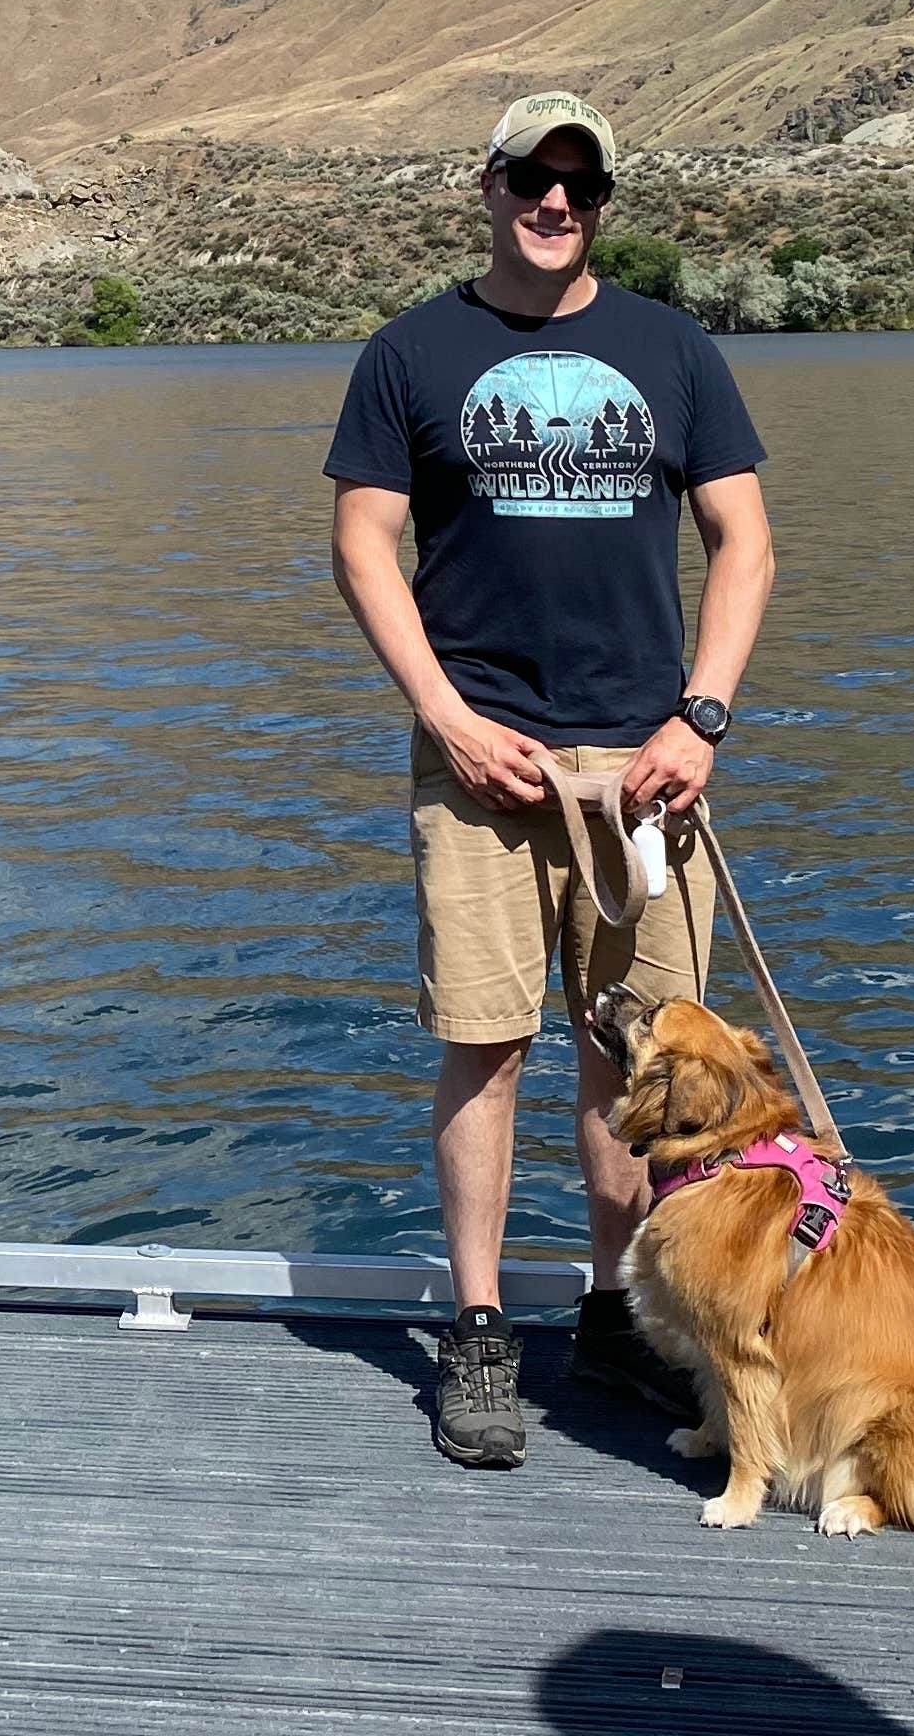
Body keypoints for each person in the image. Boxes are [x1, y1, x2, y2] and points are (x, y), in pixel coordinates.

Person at [324, 92, 776, 1469]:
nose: (557, 203)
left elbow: (744, 543)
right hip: (483, 758)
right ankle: (474, 1330)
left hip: (643, 766)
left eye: (583, 185)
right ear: (491, 181)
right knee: (487, 1039)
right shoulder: (412, 353)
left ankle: (616, 1313)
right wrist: (446, 716)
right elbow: (361, 543)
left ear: (604, 201)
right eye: (534, 176)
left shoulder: (670, 347)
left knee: (640, 1052)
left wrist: (699, 719)